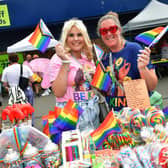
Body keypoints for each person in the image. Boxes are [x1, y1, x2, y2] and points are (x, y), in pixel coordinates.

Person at [97, 11, 158, 111]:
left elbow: (152, 86)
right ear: (101, 36)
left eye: (112, 29)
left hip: (138, 115)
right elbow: (105, 92)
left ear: (119, 30)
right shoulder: (104, 58)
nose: (108, 33)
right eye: (104, 31)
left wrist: (143, 69)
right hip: (117, 116)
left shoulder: (134, 49)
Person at [49, 18, 100, 131]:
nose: (76, 39)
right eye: (71, 35)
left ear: (84, 37)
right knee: (75, 148)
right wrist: (65, 62)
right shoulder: (57, 58)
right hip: (71, 113)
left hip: (92, 111)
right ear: (66, 38)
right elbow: (58, 92)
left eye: (79, 35)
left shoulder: (88, 58)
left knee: (93, 146)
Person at [1, 53, 35, 126]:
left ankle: (20, 128)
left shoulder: (6, 70)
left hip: (14, 92)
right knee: (29, 110)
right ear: (18, 59)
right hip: (26, 90)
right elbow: (32, 80)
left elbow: (4, 84)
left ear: (9, 60)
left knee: (17, 111)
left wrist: (8, 89)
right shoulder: (25, 67)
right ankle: (30, 126)